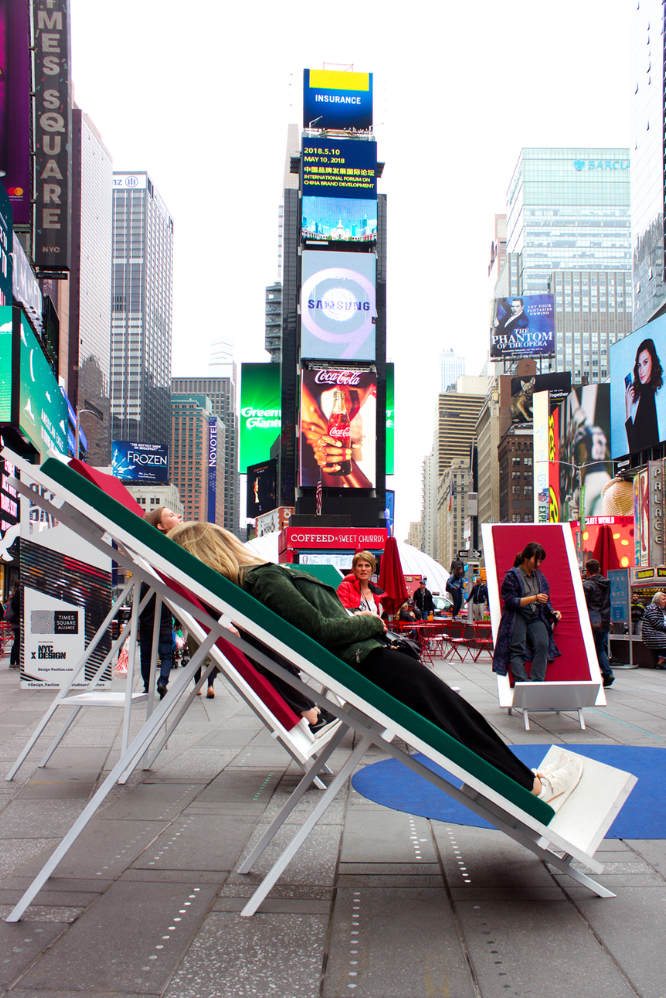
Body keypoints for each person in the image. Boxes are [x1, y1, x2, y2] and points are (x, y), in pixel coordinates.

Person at [167, 521, 584, 810]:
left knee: (457, 720)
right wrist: (367, 620)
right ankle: (528, 787)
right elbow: (320, 630)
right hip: (369, 661)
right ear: (221, 545)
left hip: (365, 662)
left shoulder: (250, 587)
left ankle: (522, 781)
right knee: (458, 723)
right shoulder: (264, 579)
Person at [494, 543, 562, 683]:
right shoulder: (512, 576)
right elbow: (510, 601)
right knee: (517, 647)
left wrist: (552, 612)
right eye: (535, 560)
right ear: (526, 558)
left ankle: (537, 681)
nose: (538, 564)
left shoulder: (540, 577)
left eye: (540, 561)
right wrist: (534, 598)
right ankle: (522, 682)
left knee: (543, 644)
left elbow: (546, 599)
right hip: (517, 614)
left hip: (536, 615)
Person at [142, 508, 185, 698]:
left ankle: (147, 685)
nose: (179, 516)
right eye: (172, 515)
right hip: (163, 613)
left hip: (147, 615)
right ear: (160, 526)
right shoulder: (171, 549)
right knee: (166, 653)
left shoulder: (149, 549)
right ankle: (162, 681)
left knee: (146, 655)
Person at [625, 337, 663, 453]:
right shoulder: (637, 399)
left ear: (653, 361)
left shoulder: (660, 392)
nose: (641, 370)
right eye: (639, 365)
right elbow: (635, 451)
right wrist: (628, 411)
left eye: (645, 362)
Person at [582, 559, 614, 688]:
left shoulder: (586, 585)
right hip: (604, 619)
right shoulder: (606, 584)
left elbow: (583, 603)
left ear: (587, 570)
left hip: (591, 620)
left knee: (589, 648)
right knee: (600, 648)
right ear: (599, 569)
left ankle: (591, 674)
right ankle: (607, 673)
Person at [337, 551, 388, 616]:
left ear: (372, 569)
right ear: (354, 569)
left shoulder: (377, 592)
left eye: (367, 566)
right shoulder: (345, 587)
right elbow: (342, 613)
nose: (363, 569)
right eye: (360, 565)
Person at [640, 592, 666, 669]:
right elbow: (655, 622)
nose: (665, 601)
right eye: (663, 599)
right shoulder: (652, 608)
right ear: (658, 600)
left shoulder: (660, 609)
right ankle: (661, 661)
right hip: (651, 634)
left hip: (656, 632)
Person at [8, 582, 21, 670]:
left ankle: (15, 660)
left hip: (14, 621)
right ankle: (13, 661)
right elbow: (17, 608)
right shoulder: (17, 596)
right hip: (17, 621)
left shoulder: (13, 596)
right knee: (17, 641)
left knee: (17, 641)